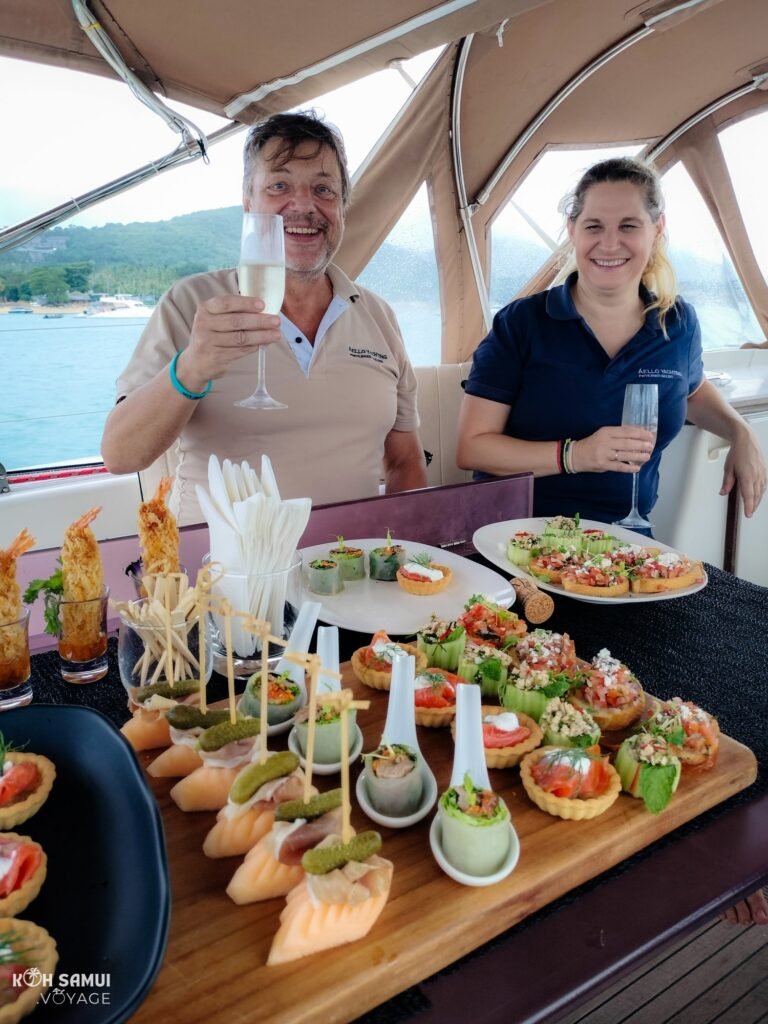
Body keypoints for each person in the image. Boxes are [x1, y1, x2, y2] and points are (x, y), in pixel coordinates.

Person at [102, 112, 427, 523]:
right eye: (279, 185)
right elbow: (120, 454)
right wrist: (192, 368)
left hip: (347, 575)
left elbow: (405, 463)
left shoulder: (378, 316)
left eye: (324, 189)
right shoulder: (190, 303)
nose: (305, 205)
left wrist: (406, 559)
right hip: (223, 578)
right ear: (249, 201)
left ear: (342, 207)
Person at [456, 157, 766, 528]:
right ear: (573, 230)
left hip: (625, 538)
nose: (609, 243)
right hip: (515, 534)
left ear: (657, 229)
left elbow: (692, 391)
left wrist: (740, 431)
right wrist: (576, 455)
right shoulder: (522, 323)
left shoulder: (677, 323)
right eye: (594, 226)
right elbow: (472, 447)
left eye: (628, 226)